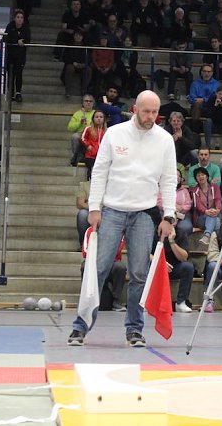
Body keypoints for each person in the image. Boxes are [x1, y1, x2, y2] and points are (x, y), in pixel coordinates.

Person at [68, 91, 177, 348]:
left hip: (144, 213)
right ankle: (81, 326)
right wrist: (94, 208)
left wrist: (169, 216)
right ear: (135, 109)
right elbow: (100, 171)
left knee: (139, 273)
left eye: (155, 112)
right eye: (146, 111)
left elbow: (169, 179)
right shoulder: (115, 134)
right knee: (98, 269)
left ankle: (134, 329)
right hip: (113, 210)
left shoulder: (164, 140)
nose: (151, 117)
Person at [191, 166, 222, 245]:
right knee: (216, 222)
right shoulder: (194, 190)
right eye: (198, 175)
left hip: (214, 213)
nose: (200, 177)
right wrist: (206, 211)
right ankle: (217, 242)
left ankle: (207, 235)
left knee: (216, 220)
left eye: (202, 175)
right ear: (196, 179)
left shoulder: (215, 187)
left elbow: (218, 199)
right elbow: (197, 204)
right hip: (201, 217)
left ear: (207, 176)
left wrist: (217, 209)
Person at [4, 9, 31, 103]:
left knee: (19, 73)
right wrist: (17, 41)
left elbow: (28, 39)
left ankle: (18, 93)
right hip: (10, 55)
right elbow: (5, 38)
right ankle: (10, 93)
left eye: (21, 18)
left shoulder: (26, 28)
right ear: (14, 18)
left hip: (20, 55)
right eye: (18, 17)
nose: (19, 19)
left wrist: (23, 41)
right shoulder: (10, 26)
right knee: (10, 74)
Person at [80, 111, 107, 180]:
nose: (99, 118)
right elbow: (83, 138)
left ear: (104, 119)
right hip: (91, 155)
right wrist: (88, 146)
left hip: (102, 155)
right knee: (92, 170)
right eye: (96, 117)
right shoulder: (88, 129)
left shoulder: (107, 131)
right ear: (93, 119)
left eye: (101, 117)